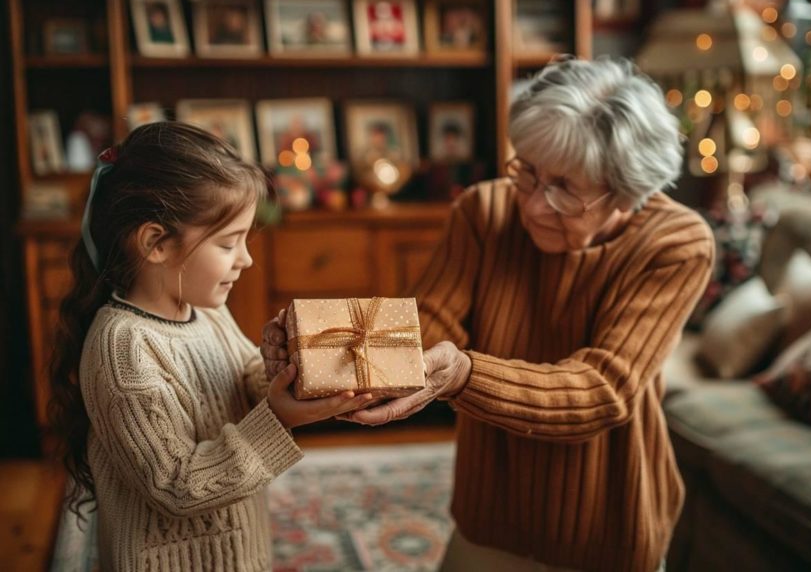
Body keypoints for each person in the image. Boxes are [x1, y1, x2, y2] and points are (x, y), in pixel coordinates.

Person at [262, 57, 713, 571]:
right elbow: (428, 325)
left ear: (629, 193)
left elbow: (602, 389)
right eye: (528, 172)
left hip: (603, 517)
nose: (534, 206)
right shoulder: (485, 209)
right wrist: (320, 348)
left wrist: (464, 375)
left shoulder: (676, 243)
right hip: (491, 505)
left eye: (565, 188)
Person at [48, 122, 373, 571]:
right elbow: (178, 485)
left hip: (237, 552)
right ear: (155, 243)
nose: (247, 259)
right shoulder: (122, 350)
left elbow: (243, 378)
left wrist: (292, 369)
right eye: (228, 243)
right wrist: (277, 417)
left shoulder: (207, 311)